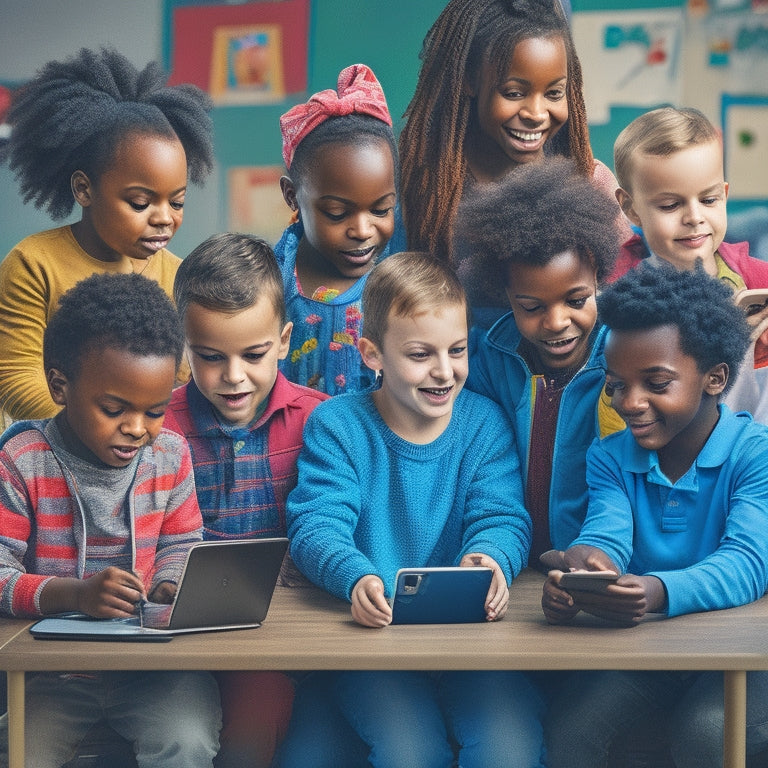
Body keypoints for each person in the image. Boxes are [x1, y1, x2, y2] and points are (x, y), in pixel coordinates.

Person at [280, 252, 539, 768]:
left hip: (469, 639)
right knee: (410, 753)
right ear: (372, 354)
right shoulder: (338, 426)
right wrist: (356, 576)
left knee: (510, 752)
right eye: (421, 354)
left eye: (457, 350)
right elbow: (315, 524)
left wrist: (491, 558)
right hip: (375, 642)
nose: (444, 371)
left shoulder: (483, 423)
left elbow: (502, 516)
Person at [541, 264, 768, 768]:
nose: (631, 403)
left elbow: (749, 563)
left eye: (656, 383)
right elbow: (607, 531)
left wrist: (657, 591)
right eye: (617, 385)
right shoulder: (610, 457)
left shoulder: (755, 455)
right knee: (571, 730)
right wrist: (585, 570)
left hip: (743, 655)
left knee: (707, 734)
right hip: (651, 651)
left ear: (716, 378)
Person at [0, 272, 221, 768]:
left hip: (154, 669)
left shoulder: (170, 454)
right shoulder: (22, 459)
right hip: (52, 674)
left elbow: (183, 542)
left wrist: (169, 583)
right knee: (21, 753)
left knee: (187, 743)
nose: (137, 429)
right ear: (60, 385)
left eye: (156, 411)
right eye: (114, 409)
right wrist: (74, 594)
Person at [164, 232, 328, 768]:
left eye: (253, 355)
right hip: (179, 639)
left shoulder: (324, 421)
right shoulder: (157, 428)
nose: (233, 377)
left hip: (284, 641)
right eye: (210, 357)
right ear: (183, 345)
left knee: (252, 736)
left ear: (283, 341)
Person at [0, 46, 214, 420]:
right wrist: (98, 429)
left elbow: (182, 380)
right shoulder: (34, 264)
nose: (164, 218)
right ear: (85, 189)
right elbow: (17, 378)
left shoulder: (180, 278)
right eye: (140, 202)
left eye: (176, 203)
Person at [398, 0, 629, 329]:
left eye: (553, 93)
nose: (536, 114)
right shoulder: (423, 190)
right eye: (514, 92)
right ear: (469, 79)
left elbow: (621, 295)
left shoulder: (589, 181)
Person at [462, 158, 624, 567]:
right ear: (505, 294)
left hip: (596, 562)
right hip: (508, 558)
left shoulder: (622, 360)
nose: (556, 323)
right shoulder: (491, 358)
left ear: (599, 279)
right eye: (531, 306)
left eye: (576, 300)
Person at [610, 105, 768, 422]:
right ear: (631, 209)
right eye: (670, 205)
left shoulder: (755, 278)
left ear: (724, 195)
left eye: (709, 200)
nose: (695, 218)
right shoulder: (620, 290)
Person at [276, 63, 405, 395]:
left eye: (381, 209)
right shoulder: (270, 279)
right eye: (336, 213)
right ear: (292, 197)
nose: (362, 230)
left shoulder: (403, 275)